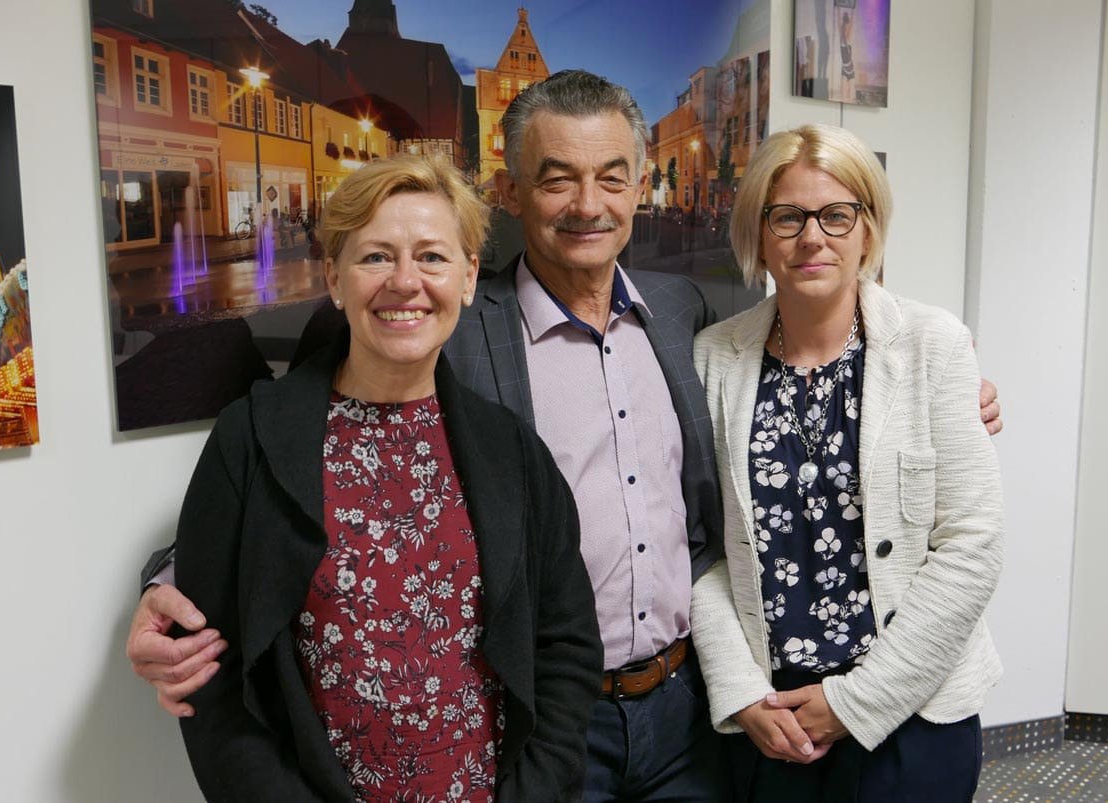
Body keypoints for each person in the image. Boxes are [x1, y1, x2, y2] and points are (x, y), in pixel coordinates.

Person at [126, 72, 1004, 800]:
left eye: (612, 176)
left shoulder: (685, 318)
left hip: (690, 709)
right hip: (547, 719)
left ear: (636, 185)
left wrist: (945, 387)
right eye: (556, 178)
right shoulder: (448, 319)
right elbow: (302, 450)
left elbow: (812, 359)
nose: (588, 205)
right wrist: (171, 580)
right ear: (511, 193)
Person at [170, 154, 602, 801]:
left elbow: (565, 644)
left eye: (431, 256)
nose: (405, 281)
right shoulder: (250, 438)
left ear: (466, 277)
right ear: (335, 280)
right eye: (375, 257)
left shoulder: (510, 448)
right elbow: (211, 673)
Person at [690, 124, 1003, 801]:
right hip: (775, 722)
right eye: (788, 217)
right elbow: (703, 552)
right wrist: (741, 691)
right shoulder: (713, 359)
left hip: (913, 716)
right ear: (759, 233)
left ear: (868, 228)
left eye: (837, 214)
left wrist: (857, 702)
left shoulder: (934, 347)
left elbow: (971, 546)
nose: (813, 237)